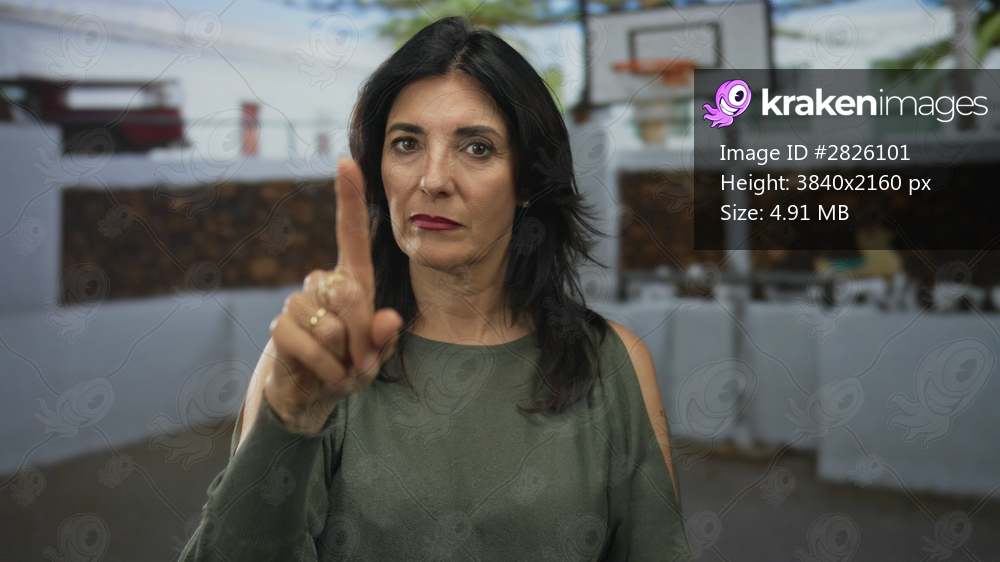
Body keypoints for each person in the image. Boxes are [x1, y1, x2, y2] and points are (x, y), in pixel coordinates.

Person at [180, 16, 692, 561]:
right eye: (406, 143)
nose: (433, 179)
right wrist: (291, 420)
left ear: (527, 181)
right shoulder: (318, 359)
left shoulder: (614, 364)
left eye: (477, 148)